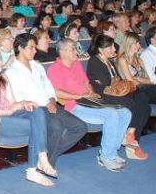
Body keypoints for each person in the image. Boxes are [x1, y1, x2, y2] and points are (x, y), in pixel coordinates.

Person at [0, 45, 57, 186]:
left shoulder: (2, 77)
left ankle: (42, 157)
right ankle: (34, 168)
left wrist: (24, 103)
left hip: (8, 116)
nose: (0, 62)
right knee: (36, 124)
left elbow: (12, 103)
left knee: (37, 110)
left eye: (0, 59)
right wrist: (7, 112)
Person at [47, 39, 131, 171]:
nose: (77, 51)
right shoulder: (54, 69)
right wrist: (80, 96)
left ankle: (112, 152)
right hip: (73, 105)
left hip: (89, 101)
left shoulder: (77, 64)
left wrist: (92, 93)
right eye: (73, 49)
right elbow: (56, 93)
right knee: (112, 114)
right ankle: (106, 156)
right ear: (63, 52)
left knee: (126, 112)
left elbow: (87, 83)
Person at [4, 33, 87, 167]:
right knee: (56, 126)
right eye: (31, 48)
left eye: (35, 47)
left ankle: (45, 158)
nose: (35, 51)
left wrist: (52, 101)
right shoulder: (12, 72)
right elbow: (19, 99)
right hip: (33, 110)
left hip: (49, 104)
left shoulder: (37, 66)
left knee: (80, 127)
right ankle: (48, 164)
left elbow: (49, 87)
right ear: (20, 48)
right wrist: (44, 104)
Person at [85, 35, 152, 159]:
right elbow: (106, 83)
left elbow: (117, 79)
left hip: (115, 90)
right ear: (100, 49)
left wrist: (113, 79)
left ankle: (131, 134)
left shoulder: (109, 61)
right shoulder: (94, 61)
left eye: (113, 47)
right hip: (103, 94)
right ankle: (132, 143)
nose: (114, 50)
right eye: (110, 47)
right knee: (131, 103)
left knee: (143, 100)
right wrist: (113, 79)